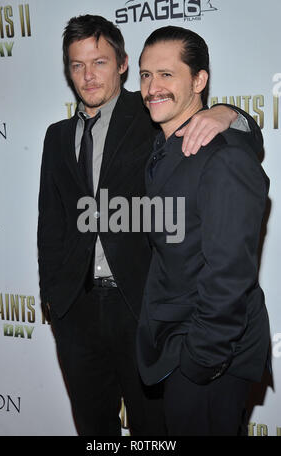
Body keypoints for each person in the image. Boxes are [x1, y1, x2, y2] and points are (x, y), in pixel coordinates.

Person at [37, 14, 264, 436]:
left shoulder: (150, 113)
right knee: (93, 426)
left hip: (139, 307)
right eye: (77, 65)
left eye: (100, 62)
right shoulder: (55, 135)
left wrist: (225, 112)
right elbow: (51, 220)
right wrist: (52, 293)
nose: (88, 76)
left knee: (154, 430)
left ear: (122, 64)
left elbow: (243, 136)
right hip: (76, 308)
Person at [136, 25, 270, 436]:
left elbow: (230, 275)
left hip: (209, 355)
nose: (152, 87)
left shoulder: (224, 158)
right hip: (176, 342)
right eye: (144, 75)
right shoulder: (164, 146)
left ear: (199, 80)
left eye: (166, 74)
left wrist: (200, 361)